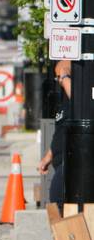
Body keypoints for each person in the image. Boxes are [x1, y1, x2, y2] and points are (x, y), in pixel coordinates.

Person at [39, 59, 71, 204]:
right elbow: (58, 131)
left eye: (58, 76)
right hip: (59, 162)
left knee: (57, 199)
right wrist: (48, 156)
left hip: (71, 161)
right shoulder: (64, 100)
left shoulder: (78, 95)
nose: (58, 80)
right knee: (56, 201)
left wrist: (65, 76)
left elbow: (80, 104)